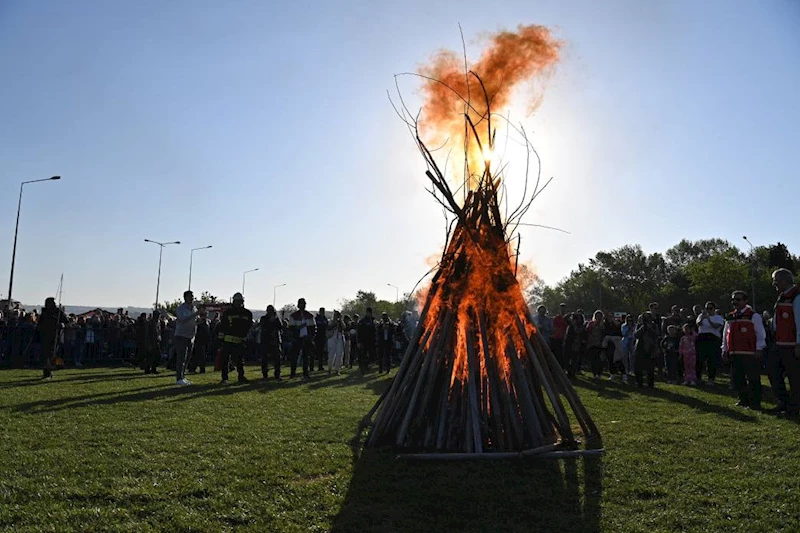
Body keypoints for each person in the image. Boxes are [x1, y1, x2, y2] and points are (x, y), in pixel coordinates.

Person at [722, 290, 766, 410]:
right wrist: (724, 349)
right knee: (737, 378)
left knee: (753, 378)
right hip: (734, 352)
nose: (735, 302)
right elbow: (726, 334)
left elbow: (760, 334)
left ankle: (755, 403)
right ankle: (743, 400)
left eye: (738, 299)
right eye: (733, 300)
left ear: (745, 301)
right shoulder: (730, 316)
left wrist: (759, 348)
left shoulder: (753, 316)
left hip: (750, 352)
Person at [771, 268, 800, 416]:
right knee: (773, 373)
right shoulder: (782, 297)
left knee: (794, 378)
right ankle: (783, 402)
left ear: (784, 280)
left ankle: (793, 408)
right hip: (779, 343)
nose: (774, 284)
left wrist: (798, 344)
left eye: (775, 280)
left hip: (791, 345)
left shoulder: (796, 296)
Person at [217, 292, 253, 384]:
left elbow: (249, 326)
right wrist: (220, 340)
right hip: (227, 340)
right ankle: (224, 378)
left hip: (240, 340)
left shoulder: (247, 313)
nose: (238, 303)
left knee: (239, 361)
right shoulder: (227, 312)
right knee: (225, 360)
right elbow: (223, 326)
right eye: (237, 301)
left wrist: (245, 337)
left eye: (240, 301)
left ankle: (241, 376)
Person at [174, 290, 201, 386]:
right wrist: (196, 314)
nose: (192, 298)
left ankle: (183, 376)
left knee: (187, 358)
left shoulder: (194, 308)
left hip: (191, 336)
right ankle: (179, 378)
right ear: (185, 297)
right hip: (181, 335)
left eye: (193, 296)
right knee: (181, 358)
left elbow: (193, 320)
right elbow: (183, 320)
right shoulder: (180, 309)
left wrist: (199, 320)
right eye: (191, 296)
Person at [37, 297, 67, 380]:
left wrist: (61, 325)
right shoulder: (44, 312)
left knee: (52, 354)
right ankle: (47, 371)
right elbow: (40, 324)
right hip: (45, 336)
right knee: (46, 354)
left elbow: (65, 321)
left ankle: (51, 369)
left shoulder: (58, 312)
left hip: (55, 336)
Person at [696, 301, 724, 386]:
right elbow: (698, 324)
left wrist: (708, 319)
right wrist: (703, 318)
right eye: (707, 308)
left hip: (713, 338)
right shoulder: (701, 316)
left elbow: (716, 326)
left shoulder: (718, 317)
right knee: (700, 359)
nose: (708, 310)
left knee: (711, 360)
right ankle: (698, 378)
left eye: (710, 308)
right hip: (702, 338)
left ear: (714, 309)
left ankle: (711, 379)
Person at [289, 298, 316, 379]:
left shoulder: (309, 315)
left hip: (306, 338)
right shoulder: (294, 316)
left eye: (304, 303)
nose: (303, 305)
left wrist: (311, 337)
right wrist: (298, 328)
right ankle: (293, 373)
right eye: (301, 303)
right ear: (298, 305)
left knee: (306, 357)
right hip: (297, 338)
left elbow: (313, 328)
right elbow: (291, 328)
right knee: (294, 356)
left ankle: (305, 373)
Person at [634, 312, 660, 388]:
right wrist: (642, 327)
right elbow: (636, 335)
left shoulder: (654, 325)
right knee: (638, 367)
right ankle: (639, 383)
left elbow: (656, 335)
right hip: (640, 347)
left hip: (651, 347)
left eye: (648, 317)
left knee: (650, 368)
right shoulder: (639, 325)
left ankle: (650, 384)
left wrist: (649, 328)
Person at [257, 305, 283, 380]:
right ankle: (265, 374)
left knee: (277, 359)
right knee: (264, 359)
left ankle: (277, 374)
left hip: (275, 340)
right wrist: (270, 322)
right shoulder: (263, 318)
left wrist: (275, 320)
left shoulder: (276, 318)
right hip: (266, 340)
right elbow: (263, 326)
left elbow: (280, 327)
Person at [563, 313, 587, 378]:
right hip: (569, 343)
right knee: (567, 358)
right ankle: (568, 371)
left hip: (577, 345)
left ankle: (572, 373)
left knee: (575, 359)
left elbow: (584, 335)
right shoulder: (571, 324)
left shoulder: (583, 327)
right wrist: (570, 313)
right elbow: (564, 318)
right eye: (577, 318)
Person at [585, 311, 605, 379]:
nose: (598, 317)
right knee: (593, 359)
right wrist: (595, 324)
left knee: (600, 360)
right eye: (597, 316)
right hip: (592, 343)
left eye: (600, 316)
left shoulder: (603, 324)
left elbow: (604, 332)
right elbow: (588, 329)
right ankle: (594, 373)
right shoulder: (591, 323)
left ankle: (599, 373)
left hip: (600, 344)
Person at [189, 310, 210, 374]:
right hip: (199, 341)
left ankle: (194, 368)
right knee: (198, 356)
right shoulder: (199, 322)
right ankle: (198, 369)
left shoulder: (207, 322)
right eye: (204, 315)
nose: (205, 316)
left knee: (200, 356)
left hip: (204, 341)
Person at [357, 308, 378, 374]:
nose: (369, 314)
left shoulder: (373, 321)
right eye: (368, 312)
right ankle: (364, 367)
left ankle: (369, 365)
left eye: (370, 312)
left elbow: (375, 331)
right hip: (364, 341)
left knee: (372, 354)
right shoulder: (362, 321)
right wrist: (359, 342)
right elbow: (359, 332)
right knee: (364, 355)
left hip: (372, 341)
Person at [327, 310, 346, 375]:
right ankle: (329, 369)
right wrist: (334, 323)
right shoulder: (330, 321)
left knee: (339, 354)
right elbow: (328, 327)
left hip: (339, 338)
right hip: (332, 338)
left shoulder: (341, 322)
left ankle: (337, 369)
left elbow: (344, 327)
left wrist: (340, 320)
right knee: (331, 354)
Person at [551, 304, 568, 369]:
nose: (562, 310)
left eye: (564, 308)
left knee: (565, 353)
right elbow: (554, 327)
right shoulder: (557, 318)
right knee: (558, 352)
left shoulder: (567, 318)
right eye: (561, 309)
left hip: (565, 337)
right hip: (558, 337)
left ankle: (564, 366)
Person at [620, 314, 636, 381]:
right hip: (625, 341)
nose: (630, 322)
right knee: (625, 356)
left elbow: (635, 334)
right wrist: (628, 329)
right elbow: (623, 334)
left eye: (631, 320)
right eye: (628, 320)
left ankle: (632, 370)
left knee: (632, 356)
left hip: (632, 341)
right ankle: (626, 369)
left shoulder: (635, 326)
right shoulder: (623, 326)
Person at [314, 307, 328, 372]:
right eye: (322, 311)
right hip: (317, 336)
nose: (323, 313)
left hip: (323, 336)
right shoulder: (316, 318)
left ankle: (320, 366)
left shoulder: (325, 318)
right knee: (317, 352)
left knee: (321, 352)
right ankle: (314, 366)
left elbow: (327, 326)